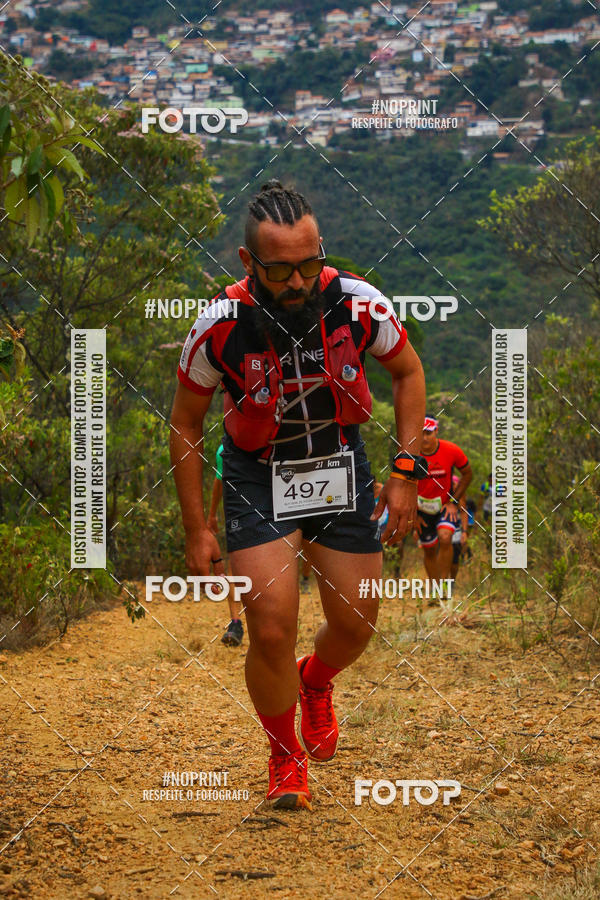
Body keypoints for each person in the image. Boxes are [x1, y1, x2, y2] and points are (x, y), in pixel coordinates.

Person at [169, 179, 426, 811]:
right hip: (258, 476)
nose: (300, 281)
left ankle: (316, 682)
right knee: (273, 626)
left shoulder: (358, 304)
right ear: (248, 262)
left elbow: (408, 373)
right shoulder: (219, 326)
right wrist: (197, 526)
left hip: (340, 465)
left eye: (310, 263)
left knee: (356, 623)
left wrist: (403, 472)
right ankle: (285, 758)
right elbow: (186, 423)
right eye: (281, 270)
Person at [416, 415, 472, 588]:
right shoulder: (410, 453)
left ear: (436, 431)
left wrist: (454, 501)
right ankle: (435, 587)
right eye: (421, 433)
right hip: (421, 509)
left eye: (428, 433)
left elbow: (468, 474)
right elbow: (403, 483)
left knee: (446, 537)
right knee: (429, 550)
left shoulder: (451, 450)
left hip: (444, 506)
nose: (424, 438)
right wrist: (412, 514)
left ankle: (444, 585)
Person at [207, 442, 245, 646]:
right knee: (234, 568)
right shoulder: (225, 450)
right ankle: (235, 623)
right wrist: (212, 514)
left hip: (268, 515)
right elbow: (219, 481)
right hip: (238, 516)